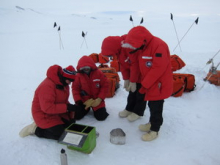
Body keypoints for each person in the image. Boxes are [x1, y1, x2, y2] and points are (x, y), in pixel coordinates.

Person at [122, 26, 173, 141]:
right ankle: (151, 123)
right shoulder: (143, 47)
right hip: (150, 83)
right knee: (151, 104)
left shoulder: (158, 46)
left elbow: (158, 68)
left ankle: (155, 130)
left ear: (143, 40)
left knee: (156, 107)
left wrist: (144, 84)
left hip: (158, 84)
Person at [19, 65, 79, 140]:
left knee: (69, 127)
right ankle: (36, 129)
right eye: (69, 80)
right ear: (64, 77)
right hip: (43, 114)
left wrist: (72, 109)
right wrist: (67, 107)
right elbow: (47, 108)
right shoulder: (47, 86)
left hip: (55, 112)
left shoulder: (64, 84)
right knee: (61, 135)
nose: (70, 83)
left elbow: (63, 101)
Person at [101, 35, 147, 122]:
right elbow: (123, 65)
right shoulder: (119, 51)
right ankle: (129, 109)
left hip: (143, 72)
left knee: (140, 93)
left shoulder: (129, 47)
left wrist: (133, 81)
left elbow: (135, 65)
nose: (111, 56)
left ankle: (138, 112)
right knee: (132, 92)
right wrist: (126, 79)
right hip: (134, 73)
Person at [72, 55, 109, 121]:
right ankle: (86, 108)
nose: (86, 69)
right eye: (84, 68)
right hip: (84, 101)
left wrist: (100, 99)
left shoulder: (99, 73)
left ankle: (97, 108)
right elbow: (75, 89)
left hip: (97, 100)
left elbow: (105, 86)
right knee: (76, 116)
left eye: (87, 67)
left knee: (101, 117)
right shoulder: (78, 76)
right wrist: (79, 101)